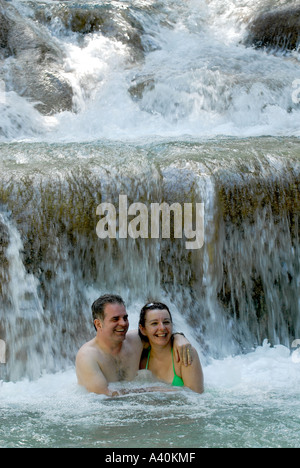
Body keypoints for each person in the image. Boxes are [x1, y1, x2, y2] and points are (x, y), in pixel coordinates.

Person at [76, 294, 194, 396]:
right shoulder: (88, 356)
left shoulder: (135, 341)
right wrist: (152, 390)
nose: (123, 323)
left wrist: (179, 337)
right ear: (98, 324)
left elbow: (161, 335)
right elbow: (104, 395)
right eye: (115, 319)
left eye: (125, 318)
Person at [139, 302, 204, 394]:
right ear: (143, 329)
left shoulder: (185, 353)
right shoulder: (140, 357)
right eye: (154, 323)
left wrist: (158, 391)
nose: (162, 328)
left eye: (166, 322)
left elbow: (197, 396)